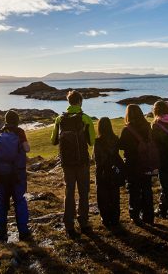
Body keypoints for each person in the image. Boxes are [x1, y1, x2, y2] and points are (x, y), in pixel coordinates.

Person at [51, 90, 96, 237]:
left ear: (68, 102)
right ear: (80, 102)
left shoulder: (59, 119)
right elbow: (92, 141)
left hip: (66, 162)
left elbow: (53, 141)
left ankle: (69, 225)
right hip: (82, 160)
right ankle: (83, 222)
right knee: (83, 192)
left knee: (69, 192)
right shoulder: (85, 118)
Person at [0, 110, 31, 243]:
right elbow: (27, 148)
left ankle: (2, 234)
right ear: (17, 120)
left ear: (6, 120)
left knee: (1, 203)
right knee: (19, 201)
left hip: (1, 175)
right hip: (17, 175)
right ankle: (23, 232)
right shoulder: (20, 132)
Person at [118, 104, 155, 225]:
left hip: (132, 163)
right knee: (146, 188)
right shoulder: (147, 126)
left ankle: (135, 215)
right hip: (146, 162)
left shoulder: (127, 129)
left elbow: (121, 146)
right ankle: (149, 215)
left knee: (134, 189)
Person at [94, 117, 123, 228]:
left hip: (102, 171)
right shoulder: (115, 139)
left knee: (102, 197)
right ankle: (115, 218)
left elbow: (97, 159)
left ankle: (105, 218)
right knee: (114, 195)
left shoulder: (98, 141)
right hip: (114, 169)